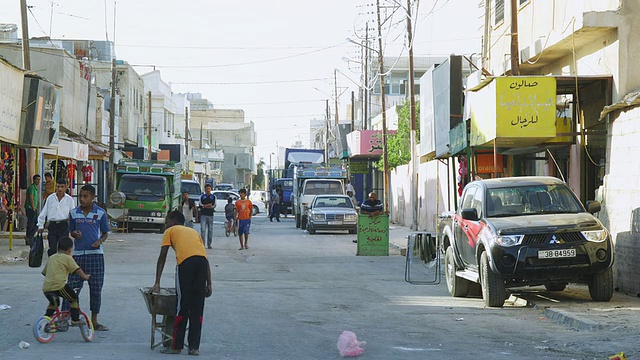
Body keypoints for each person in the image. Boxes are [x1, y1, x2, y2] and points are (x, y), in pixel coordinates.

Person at [151, 210, 212, 356]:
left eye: (166, 222)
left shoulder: (170, 231)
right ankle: (194, 348)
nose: (165, 225)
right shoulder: (194, 233)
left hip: (186, 264)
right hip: (201, 264)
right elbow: (205, 258)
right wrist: (209, 283)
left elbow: (162, 256)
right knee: (197, 307)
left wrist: (157, 282)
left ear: (173, 221)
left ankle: (176, 346)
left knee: (182, 306)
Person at [65, 184, 111, 332]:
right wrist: (74, 234)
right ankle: (66, 318)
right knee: (72, 287)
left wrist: (100, 241)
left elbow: (105, 233)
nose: (82, 199)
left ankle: (94, 321)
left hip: (95, 256)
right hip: (78, 255)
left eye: (85, 196)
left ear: (92, 197)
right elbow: (71, 231)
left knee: (96, 289)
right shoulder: (73, 213)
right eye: (80, 196)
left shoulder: (101, 213)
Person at [42, 236, 91, 326]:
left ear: (57, 248)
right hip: (59, 286)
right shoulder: (68, 258)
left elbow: (44, 272)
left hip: (46, 287)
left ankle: (46, 320)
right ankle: (75, 320)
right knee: (74, 299)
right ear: (69, 250)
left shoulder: (52, 257)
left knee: (54, 303)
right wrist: (85, 277)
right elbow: (77, 270)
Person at [37, 178, 75, 257]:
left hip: (63, 225)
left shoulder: (69, 200)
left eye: (62, 187)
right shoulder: (50, 198)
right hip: (53, 225)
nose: (60, 189)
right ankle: (52, 264)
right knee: (52, 247)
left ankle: (62, 265)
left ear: (65, 187)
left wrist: (73, 228)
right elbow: (44, 212)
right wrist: (40, 225)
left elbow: (73, 214)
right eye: (58, 187)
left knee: (63, 248)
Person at [25, 174, 41, 245]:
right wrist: (33, 207)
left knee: (35, 223)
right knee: (32, 223)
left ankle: (29, 236)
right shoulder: (31, 188)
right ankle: (29, 237)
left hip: (33, 208)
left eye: (39, 180)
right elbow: (31, 197)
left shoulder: (35, 188)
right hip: (30, 208)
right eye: (37, 179)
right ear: (34, 180)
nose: (38, 181)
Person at [199, 184, 216, 249]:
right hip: (203, 215)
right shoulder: (202, 197)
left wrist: (205, 206)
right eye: (206, 189)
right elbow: (200, 205)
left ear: (211, 189)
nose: (208, 190)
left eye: (209, 189)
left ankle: (209, 244)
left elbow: (214, 205)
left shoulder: (213, 197)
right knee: (203, 229)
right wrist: (208, 205)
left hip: (210, 215)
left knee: (210, 230)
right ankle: (203, 244)